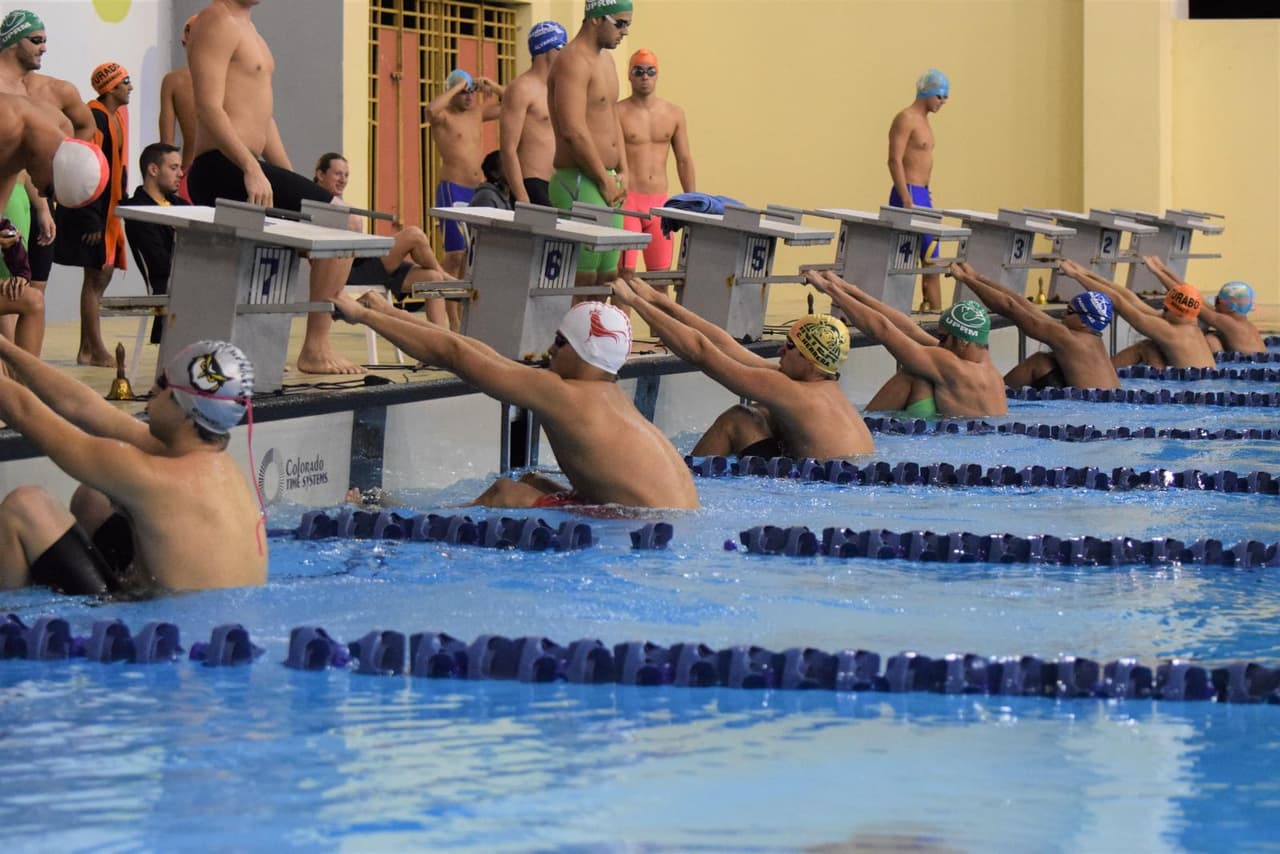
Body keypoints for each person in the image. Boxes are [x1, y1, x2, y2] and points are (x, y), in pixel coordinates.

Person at [333, 290, 699, 509]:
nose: (549, 350)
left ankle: (399, 522)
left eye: (559, 342)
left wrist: (363, 315)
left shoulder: (566, 395)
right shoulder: (607, 395)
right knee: (533, 481)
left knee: (505, 493)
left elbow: (455, 355)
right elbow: (481, 353)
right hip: (665, 522)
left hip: (639, 530)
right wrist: (390, 312)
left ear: (582, 350)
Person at [0, 336, 266, 594]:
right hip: (217, 629)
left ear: (186, 411)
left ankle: (17, 624)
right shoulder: (212, 461)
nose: (152, 389)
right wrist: (5, 347)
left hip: (159, 634)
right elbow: (83, 406)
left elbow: (25, 413)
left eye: (163, 384)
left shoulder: (153, 478)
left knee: (25, 505)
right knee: (93, 498)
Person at [186, 0, 359, 374]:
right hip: (221, 167)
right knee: (343, 222)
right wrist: (250, 167)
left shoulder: (249, 28)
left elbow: (264, 118)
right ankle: (315, 348)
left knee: (335, 220)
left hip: (249, 166)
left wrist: (288, 179)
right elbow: (208, 107)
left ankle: (301, 345)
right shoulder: (216, 20)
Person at [611, 275, 874, 459]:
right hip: (839, 478)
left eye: (791, 346)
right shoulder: (818, 386)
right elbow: (727, 346)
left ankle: (687, 481)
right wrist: (662, 302)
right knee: (764, 413)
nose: (781, 350)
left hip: (823, 488)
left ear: (809, 359)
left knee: (739, 418)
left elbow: (701, 353)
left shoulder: (790, 391)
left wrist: (635, 303)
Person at [0, 9, 97, 346]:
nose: (45, 190)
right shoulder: (13, 121)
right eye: (36, 40)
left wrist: (17, 261)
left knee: (31, 297)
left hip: (13, 204)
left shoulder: (50, 120)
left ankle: (21, 389)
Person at [806, 269, 1008, 418]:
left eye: (944, 338)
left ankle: (861, 424)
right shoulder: (990, 375)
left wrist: (830, 290)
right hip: (967, 443)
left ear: (963, 341)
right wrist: (851, 290)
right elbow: (910, 330)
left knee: (912, 375)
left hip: (953, 448)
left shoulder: (952, 366)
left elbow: (884, 331)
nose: (940, 343)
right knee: (921, 373)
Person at [547, 0, 632, 288]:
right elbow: (573, 130)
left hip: (604, 179)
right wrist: (602, 179)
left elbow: (612, 116)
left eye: (628, 24)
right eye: (620, 24)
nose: (625, 32)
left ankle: (597, 335)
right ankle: (570, 335)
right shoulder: (572, 61)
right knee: (583, 280)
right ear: (595, 19)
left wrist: (623, 169)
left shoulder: (606, 60)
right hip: (580, 179)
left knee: (608, 278)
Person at [313, 151, 451, 328]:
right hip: (349, 271)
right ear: (320, 174)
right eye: (338, 174)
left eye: (346, 175)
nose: (343, 179)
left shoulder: (336, 203)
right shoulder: (315, 203)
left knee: (433, 279)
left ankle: (437, 346)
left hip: (368, 263)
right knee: (413, 235)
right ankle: (448, 278)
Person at [53, 61, 130, 367]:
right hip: (92, 213)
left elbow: (114, 170)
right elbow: (83, 170)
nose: (130, 87)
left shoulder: (114, 117)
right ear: (110, 87)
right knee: (96, 277)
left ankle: (88, 347)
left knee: (102, 274)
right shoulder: (95, 117)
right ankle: (93, 349)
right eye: (125, 82)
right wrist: (92, 219)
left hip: (107, 211)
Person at [949, 261, 1119, 390]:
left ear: (1083, 321)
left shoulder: (1068, 338)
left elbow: (1009, 307)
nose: (1062, 314)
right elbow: (1023, 303)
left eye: (1069, 311)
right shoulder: (1089, 339)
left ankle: (990, 394)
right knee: (1042, 362)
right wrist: (977, 277)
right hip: (1105, 409)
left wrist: (964, 279)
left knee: (1038, 361)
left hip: (1088, 415)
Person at [616, 48, 695, 275]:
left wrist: (693, 201)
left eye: (650, 71)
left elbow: (684, 160)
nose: (645, 77)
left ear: (657, 74)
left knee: (660, 277)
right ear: (629, 75)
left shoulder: (674, 113)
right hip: (628, 202)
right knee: (625, 276)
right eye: (638, 71)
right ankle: (622, 313)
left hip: (660, 204)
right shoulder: (617, 112)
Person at [1059, 257, 1215, 369]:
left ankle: (1100, 372)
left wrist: (1077, 276)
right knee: (1150, 348)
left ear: (1174, 311)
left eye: (1165, 308)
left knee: (1144, 348)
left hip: (1191, 395)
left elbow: (1119, 302)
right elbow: (1131, 299)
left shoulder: (1170, 331)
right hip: (1200, 389)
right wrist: (1087, 273)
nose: (1162, 310)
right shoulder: (1188, 326)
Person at [426, 68, 503, 282]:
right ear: (452, 92)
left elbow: (511, 104)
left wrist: (492, 85)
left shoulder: (476, 113)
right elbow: (430, 111)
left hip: (477, 191)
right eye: (464, 92)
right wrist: (459, 85)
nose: (469, 96)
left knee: (474, 254)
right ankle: (447, 310)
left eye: (471, 91)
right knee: (455, 255)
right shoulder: (444, 117)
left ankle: (460, 311)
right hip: (453, 189)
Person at [888, 69, 949, 312]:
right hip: (909, 195)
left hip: (923, 195)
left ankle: (934, 315)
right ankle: (902, 311)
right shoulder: (905, 118)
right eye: (941, 97)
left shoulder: (924, 121)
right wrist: (905, 197)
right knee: (906, 261)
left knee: (932, 261)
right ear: (928, 93)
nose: (943, 103)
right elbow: (894, 159)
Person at [120, 142, 189, 344]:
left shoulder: (181, 205)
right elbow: (159, 263)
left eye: (180, 168)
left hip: (191, 277)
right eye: (174, 168)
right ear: (153, 169)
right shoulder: (136, 210)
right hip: (168, 285)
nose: (181, 174)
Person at [499, 20, 566, 207]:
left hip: (559, 186)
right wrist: (522, 196)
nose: (565, 55)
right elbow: (508, 148)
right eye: (562, 48)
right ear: (547, 49)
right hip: (533, 184)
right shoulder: (521, 88)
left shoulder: (558, 88)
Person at [1142, 256, 1265, 355]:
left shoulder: (1227, 322)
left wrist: (1156, 272)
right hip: (1253, 364)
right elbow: (1194, 294)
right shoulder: (1242, 323)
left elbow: (1187, 298)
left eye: (1217, 300)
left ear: (1228, 306)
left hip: (1243, 368)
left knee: (1211, 340)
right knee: (1213, 338)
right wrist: (1163, 268)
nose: (1214, 302)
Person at [158, 14, 198, 201]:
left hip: (190, 174)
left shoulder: (173, 81)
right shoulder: (232, 79)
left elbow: (166, 144)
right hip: (227, 172)